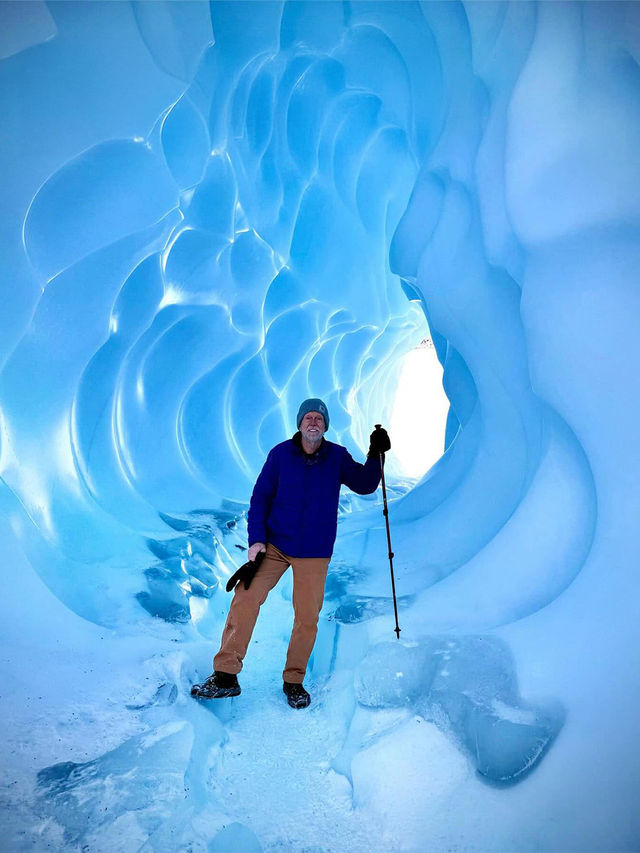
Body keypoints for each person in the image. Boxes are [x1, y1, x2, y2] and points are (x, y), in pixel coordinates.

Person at [191, 398, 391, 708]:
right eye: (308, 417)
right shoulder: (280, 455)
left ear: (325, 427)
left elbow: (365, 484)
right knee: (245, 596)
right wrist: (256, 540)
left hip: (314, 550)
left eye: (320, 419)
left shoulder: (337, 457)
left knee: (307, 617)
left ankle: (294, 681)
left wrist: (376, 454)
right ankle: (225, 675)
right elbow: (260, 498)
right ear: (299, 423)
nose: (314, 422)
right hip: (275, 545)